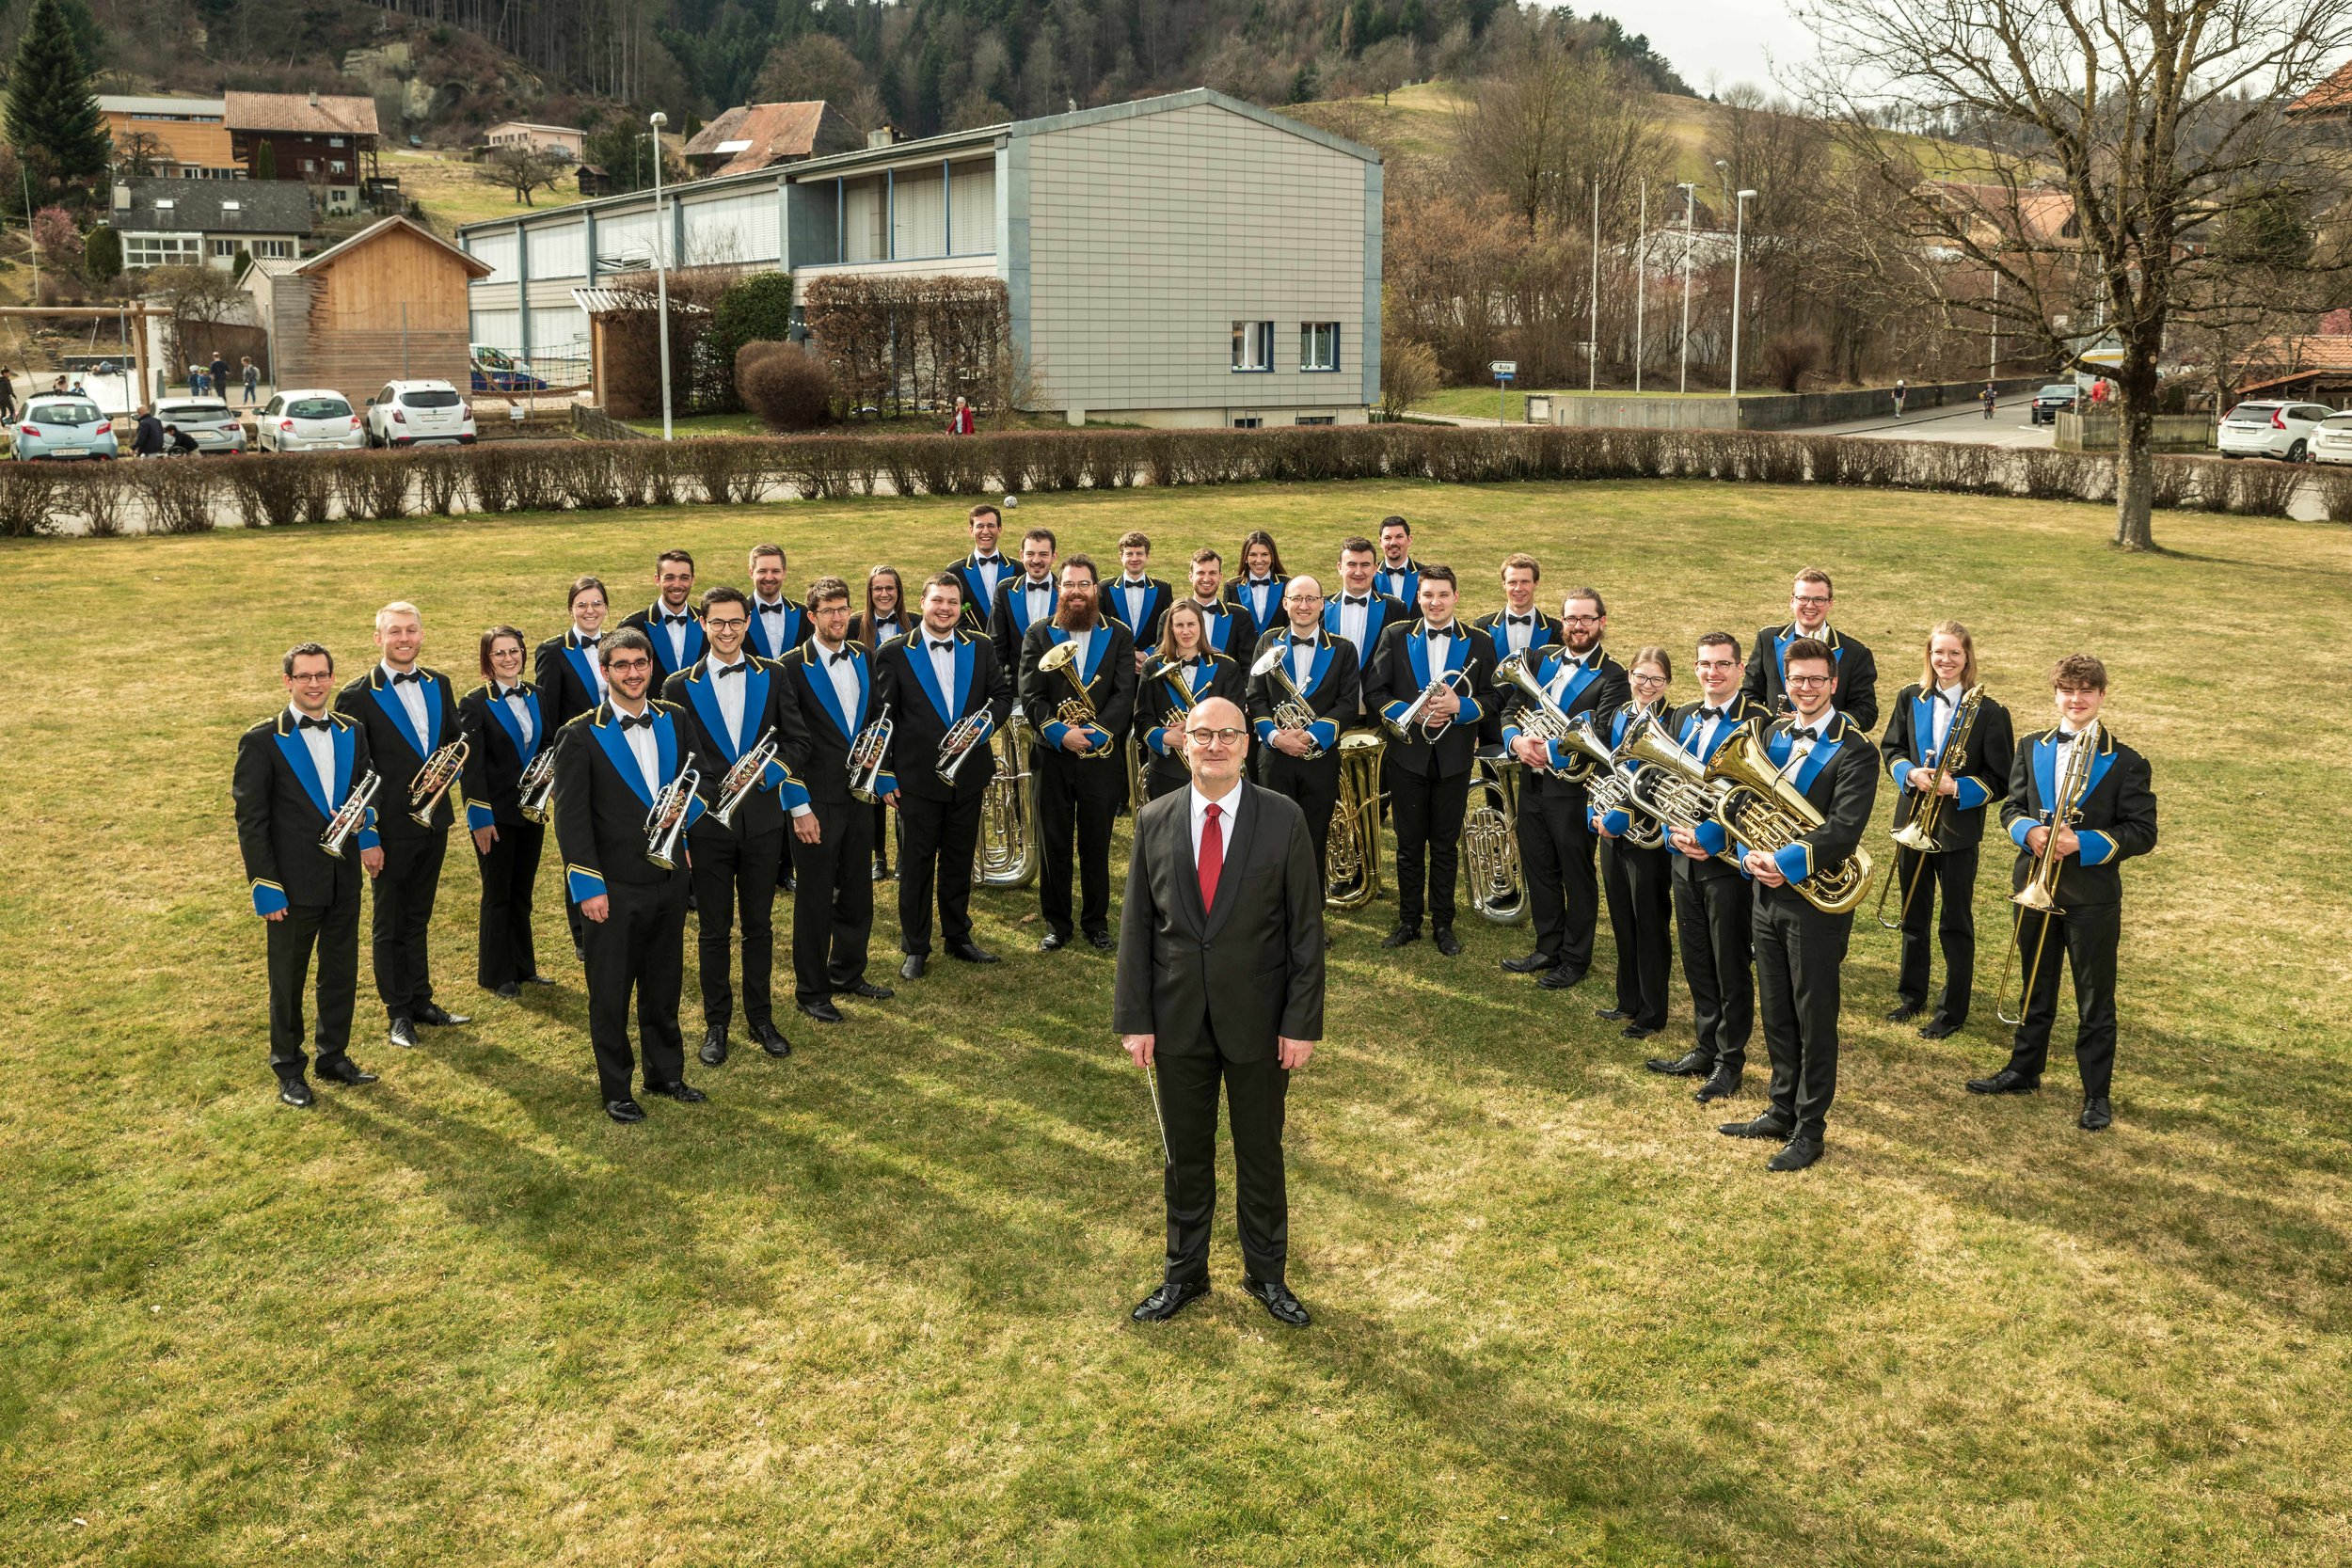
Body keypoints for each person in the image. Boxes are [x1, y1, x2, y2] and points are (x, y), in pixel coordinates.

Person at [1115, 695, 1325, 1328]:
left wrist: (1300, 1022)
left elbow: (1304, 931)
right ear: (1183, 745)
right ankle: (1185, 1274)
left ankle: (1267, 1274)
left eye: (1227, 734)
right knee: (1185, 1156)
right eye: (1201, 735)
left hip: (1260, 1023)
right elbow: (1137, 927)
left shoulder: (1283, 818)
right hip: (1176, 1020)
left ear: (1246, 744)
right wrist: (1135, 1018)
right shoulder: (1154, 819)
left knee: (1260, 1152)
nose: (1213, 745)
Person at [1967, 655, 2158, 1132]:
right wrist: (2028, 831)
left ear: (2101, 696)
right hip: (2033, 885)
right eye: (2068, 690)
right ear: (2055, 693)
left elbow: (2142, 832)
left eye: (2086, 691)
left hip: (2090, 895)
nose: (2076, 699)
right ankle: (2024, 1070)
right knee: (2035, 982)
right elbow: (2011, 805)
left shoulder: (2128, 760)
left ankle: (2096, 1094)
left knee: (2095, 998)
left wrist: (2084, 843)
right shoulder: (2031, 746)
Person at [1718, 639, 1878, 1172]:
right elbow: (1744, 805)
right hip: (1765, 894)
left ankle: (1811, 1129)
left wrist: (1783, 861)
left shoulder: (1857, 750)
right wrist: (1748, 857)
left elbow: (1842, 831)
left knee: (1814, 1016)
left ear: (1833, 684)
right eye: (1796, 679)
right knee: (1777, 1009)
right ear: (1785, 681)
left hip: (1816, 904)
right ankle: (1780, 1109)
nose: (1804, 688)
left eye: (1815, 680)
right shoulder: (1769, 735)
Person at [550, 628, 707, 1123]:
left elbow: (700, 781)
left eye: (640, 663)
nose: (634, 673)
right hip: (612, 888)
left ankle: (666, 1073)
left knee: (664, 984)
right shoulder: (577, 734)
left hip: (667, 880)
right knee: (611, 992)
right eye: (622, 665)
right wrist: (587, 887)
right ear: (605, 671)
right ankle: (616, 1087)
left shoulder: (675, 718)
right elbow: (570, 820)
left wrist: (682, 820)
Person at [232, 641, 383, 1107]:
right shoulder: (261, 741)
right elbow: (251, 821)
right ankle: (288, 1069)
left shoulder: (352, 730)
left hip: (342, 879)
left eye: (321, 675)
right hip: (290, 886)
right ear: (288, 682)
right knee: (289, 978)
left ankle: (333, 1056)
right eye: (304, 677)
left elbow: (368, 786)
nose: (314, 684)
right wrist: (265, 887)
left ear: (332, 678)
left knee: (339, 973)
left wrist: (366, 821)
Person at [664, 586, 805, 1065]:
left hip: (763, 822)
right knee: (713, 929)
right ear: (703, 625)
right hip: (708, 827)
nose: (727, 631)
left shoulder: (776, 675)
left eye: (735, 622)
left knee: (760, 926)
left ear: (748, 623)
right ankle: (716, 1024)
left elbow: (797, 742)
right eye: (717, 623)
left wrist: (762, 775)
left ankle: (761, 1017)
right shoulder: (678, 686)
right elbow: (676, 762)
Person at [336, 602, 469, 1050]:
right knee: (389, 921)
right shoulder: (355, 696)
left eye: (411, 630)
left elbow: (454, 739)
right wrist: (367, 838)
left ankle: (421, 1000)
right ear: (379, 638)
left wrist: (445, 774)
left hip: (433, 821)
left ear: (421, 634)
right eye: (394, 631)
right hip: (387, 827)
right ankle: (397, 1013)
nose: (404, 638)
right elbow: (352, 775)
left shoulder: (440, 682)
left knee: (418, 915)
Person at [1648, 633, 1774, 1103]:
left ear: (1740, 670)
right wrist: (1671, 832)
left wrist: (1713, 836)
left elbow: (1761, 795)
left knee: (1729, 961)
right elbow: (1664, 781)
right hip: (1683, 855)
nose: (1712, 673)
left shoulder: (1759, 722)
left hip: (1725, 861)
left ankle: (1730, 1060)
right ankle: (1705, 1046)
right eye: (1704, 664)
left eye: (1723, 665)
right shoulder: (1680, 715)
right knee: (1697, 955)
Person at [1879, 623, 2015, 1039]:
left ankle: (1952, 1009)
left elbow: (2002, 778)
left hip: (1957, 830)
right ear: (1929, 655)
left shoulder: (1991, 712)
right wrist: (1909, 772)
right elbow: (1892, 749)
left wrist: (1958, 787)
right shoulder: (1909, 697)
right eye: (1939, 653)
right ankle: (1911, 994)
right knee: (1913, 914)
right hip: (1912, 821)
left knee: (1955, 922)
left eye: (1955, 653)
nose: (1946, 660)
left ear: (1968, 657)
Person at [875, 574, 1013, 979]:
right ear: (922, 602)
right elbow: (881, 718)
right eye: (938, 601)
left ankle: (957, 936)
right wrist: (883, 773)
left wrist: (983, 729)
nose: (945, 609)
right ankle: (916, 946)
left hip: (968, 773)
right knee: (916, 864)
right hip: (916, 778)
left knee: (957, 860)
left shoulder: (981, 646)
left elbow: (1001, 697)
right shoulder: (893, 653)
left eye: (953, 602)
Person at [1495, 587, 1628, 989]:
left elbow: (1601, 732)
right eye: (1571, 618)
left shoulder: (1614, 675)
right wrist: (1517, 741)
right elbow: (1509, 709)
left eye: (1587, 619)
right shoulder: (1540, 658)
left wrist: (1548, 749)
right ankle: (1547, 946)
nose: (1578, 626)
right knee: (1539, 868)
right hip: (1531, 784)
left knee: (1575, 874)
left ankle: (1574, 957)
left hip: (1573, 790)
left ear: (1601, 622)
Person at [774, 577, 893, 1022]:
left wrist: (881, 774)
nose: (838, 617)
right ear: (812, 617)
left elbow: (877, 717)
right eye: (828, 611)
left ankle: (848, 973)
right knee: (815, 897)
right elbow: (783, 741)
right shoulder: (787, 666)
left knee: (858, 891)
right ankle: (811, 990)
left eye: (843, 609)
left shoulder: (864, 654)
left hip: (860, 795)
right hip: (815, 801)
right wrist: (798, 806)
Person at [1364, 564, 1496, 954]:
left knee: (1443, 845)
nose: (1434, 602)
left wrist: (1461, 705)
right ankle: (1409, 921)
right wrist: (1409, 711)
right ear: (1417, 598)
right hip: (1407, 757)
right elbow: (1375, 691)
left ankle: (1443, 923)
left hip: (1454, 759)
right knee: (1408, 844)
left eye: (1442, 594)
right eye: (1427, 595)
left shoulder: (1479, 642)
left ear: (1456, 596)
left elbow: (1493, 698)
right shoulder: (1396, 634)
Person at [1020, 554, 1137, 953]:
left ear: (1095, 590)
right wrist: (1058, 732)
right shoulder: (1038, 634)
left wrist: (1097, 732)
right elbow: (1030, 694)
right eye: (1069, 585)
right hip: (1052, 756)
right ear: (1059, 589)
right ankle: (1057, 923)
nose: (1076, 592)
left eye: (1084, 585)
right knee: (1054, 841)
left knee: (1095, 842)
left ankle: (1095, 922)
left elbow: (1125, 694)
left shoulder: (1119, 634)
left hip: (1101, 758)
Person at [457, 626, 555, 1000]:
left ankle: (523, 967)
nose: (508, 658)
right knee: (497, 893)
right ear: (487, 659)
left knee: (522, 892)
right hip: (495, 816)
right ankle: (496, 974)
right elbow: (471, 767)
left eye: (513, 651)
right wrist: (479, 819)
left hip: (530, 812)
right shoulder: (474, 702)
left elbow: (546, 744)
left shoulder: (537, 693)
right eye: (499, 653)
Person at [1248, 576, 1358, 890]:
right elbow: (1255, 697)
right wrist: (1276, 737)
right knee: (1272, 836)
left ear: (1322, 603)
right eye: (1296, 599)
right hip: (1275, 756)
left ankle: (1311, 917)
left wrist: (1311, 736)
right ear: (1285, 604)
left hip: (1319, 758)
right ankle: (1273, 914)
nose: (1304, 605)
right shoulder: (1268, 641)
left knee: (1314, 836)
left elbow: (1348, 704)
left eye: (1311, 599)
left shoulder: (1342, 649)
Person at [1590, 647, 1677, 1039]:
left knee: (1650, 922)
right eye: (1641, 677)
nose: (1647, 686)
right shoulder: (1617, 715)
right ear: (1629, 676)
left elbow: (1663, 784)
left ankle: (1652, 1011)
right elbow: (1608, 768)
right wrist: (1596, 811)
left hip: (1649, 836)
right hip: (1612, 831)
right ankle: (1627, 1000)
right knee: (1622, 916)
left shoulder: (1672, 722)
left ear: (1668, 684)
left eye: (1656, 680)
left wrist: (1625, 814)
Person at [1742, 567, 1880, 732]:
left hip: (1828, 749)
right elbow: (1749, 696)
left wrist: (1821, 721)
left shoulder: (1856, 653)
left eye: (1819, 600)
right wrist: (1771, 726)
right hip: (1773, 743)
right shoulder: (1767, 640)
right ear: (1792, 601)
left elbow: (1866, 713)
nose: (1810, 605)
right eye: (1803, 598)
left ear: (1830, 603)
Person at [850, 564, 918, 882]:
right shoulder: (853, 626)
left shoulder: (916, 624)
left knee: (904, 788)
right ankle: (878, 857)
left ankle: (905, 858)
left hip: (907, 717)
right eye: (877, 588)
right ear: (869, 593)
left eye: (890, 588)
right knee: (873, 787)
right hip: (867, 716)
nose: (884, 594)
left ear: (899, 592)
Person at [1138, 601, 1246, 802]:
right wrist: (1165, 737)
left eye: (1191, 624)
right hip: (1167, 770)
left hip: (1215, 769)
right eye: (1179, 625)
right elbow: (1142, 719)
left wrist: (1195, 730)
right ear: (1171, 628)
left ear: (1201, 626)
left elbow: (1236, 721)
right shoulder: (1152, 667)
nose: (1186, 631)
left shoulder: (1226, 667)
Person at [1324, 536, 1409, 716]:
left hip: (1377, 715)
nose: (1358, 571)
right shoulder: (1320, 608)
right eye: (1351, 564)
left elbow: (1403, 664)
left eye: (1365, 565)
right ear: (1339, 567)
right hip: (1330, 713)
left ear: (1375, 568)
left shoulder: (1395, 608)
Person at [619, 549, 706, 685]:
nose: (677, 585)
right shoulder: (632, 627)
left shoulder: (707, 622)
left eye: (684, 577)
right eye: (669, 578)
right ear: (657, 579)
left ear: (692, 580)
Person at [989, 526, 1059, 677]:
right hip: (1015, 685)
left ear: (1054, 556)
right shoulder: (1004, 591)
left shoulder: (1066, 592)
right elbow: (996, 645)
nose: (1036, 560)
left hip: (1058, 687)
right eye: (1030, 554)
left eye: (1043, 554)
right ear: (1021, 555)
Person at [1102, 530, 1171, 670]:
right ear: (1120, 556)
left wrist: (1148, 654)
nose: (1134, 558)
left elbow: (1169, 629)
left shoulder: (1163, 590)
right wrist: (1125, 655)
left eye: (1139, 553)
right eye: (1129, 554)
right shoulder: (1104, 589)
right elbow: (1100, 631)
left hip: (1151, 666)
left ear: (1147, 556)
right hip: (1115, 666)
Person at [1473, 552, 1558, 667]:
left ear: (1536, 583)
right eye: (1512, 582)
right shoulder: (1482, 627)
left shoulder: (1556, 629)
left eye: (1525, 582)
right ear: (1504, 584)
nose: (1518, 588)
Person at [946, 502, 1010, 634]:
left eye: (991, 526)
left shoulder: (1018, 569)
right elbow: (951, 612)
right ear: (971, 530)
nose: (985, 531)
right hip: (972, 645)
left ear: (999, 529)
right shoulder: (954, 572)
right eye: (980, 526)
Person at [745, 543, 809, 661]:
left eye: (775, 571)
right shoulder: (739, 614)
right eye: (762, 571)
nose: (769, 578)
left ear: (784, 573)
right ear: (751, 573)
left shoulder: (803, 614)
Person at [1224, 530, 1288, 644]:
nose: (1259, 560)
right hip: (1244, 658)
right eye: (1253, 555)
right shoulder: (1232, 587)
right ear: (1245, 558)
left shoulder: (1288, 585)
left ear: (1272, 557)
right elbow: (1228, 629)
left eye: (1264, 554)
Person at [1180, 547, 1244, 656]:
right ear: (1191, 576)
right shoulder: (1171, 616)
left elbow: (1247, 666)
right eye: (1201, 573)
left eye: (1212, 573)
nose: (1206, 579)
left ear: (1220, 577)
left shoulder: (1240, 617)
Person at [1374, 515, 1424, 607]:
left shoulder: (1425, 574)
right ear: (1380, 542)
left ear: (1409, 540)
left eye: (1399, 537)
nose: (1393, 542)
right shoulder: (1370, 575)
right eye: (1388, 538)